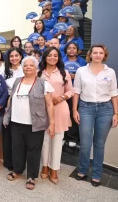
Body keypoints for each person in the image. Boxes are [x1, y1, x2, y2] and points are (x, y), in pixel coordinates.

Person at [4, 56, 55, 190]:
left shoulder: (44, 83)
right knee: (17, 148)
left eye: (31, 65)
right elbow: (10, 99)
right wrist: (7, 116)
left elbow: (49, 105)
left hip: (35, 123)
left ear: (36, 67)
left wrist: (52, 123)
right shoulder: (16, 82)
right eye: (25, 65)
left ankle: (32, 176)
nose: (28, 67)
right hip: (16, 121)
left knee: (34, 150)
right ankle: (17, 170)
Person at [72, 44, 118, 187]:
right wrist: (75, 109)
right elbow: (76, 91)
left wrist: (116, 113)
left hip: (106, 109)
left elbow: (114, 93)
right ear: (90, 54)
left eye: (101, 53)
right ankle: (83, 170)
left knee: (99, 144)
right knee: (85, 144)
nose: (98, 55)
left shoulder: (110, 72)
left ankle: (97, 174)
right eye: (95, 52)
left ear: (104, 55)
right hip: (86, 108)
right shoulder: (81, 71)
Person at [37, 47, 73, 184]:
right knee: (45, 140)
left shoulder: (64, 73)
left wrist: (62, 97)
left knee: (57, 141)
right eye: (50, 55)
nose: (52, 58)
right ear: (45, 57)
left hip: (60, 109)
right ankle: (45, 167)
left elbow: (71, 91)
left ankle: (54, 169)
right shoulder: (39, 73)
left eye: (55, 56)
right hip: (43, 110)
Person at [63, 42, 87, 147]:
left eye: (74, 48)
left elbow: (87, 77)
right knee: (64, 114)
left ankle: (73, 137)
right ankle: (64, 136)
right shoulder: (61, 61)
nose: (71, 50)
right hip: (64, 92)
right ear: (66, 50)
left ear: (77, 50)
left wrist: (76, 76)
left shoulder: (83, 62)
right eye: (69, 48)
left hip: (77, 93)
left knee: (74, 115)